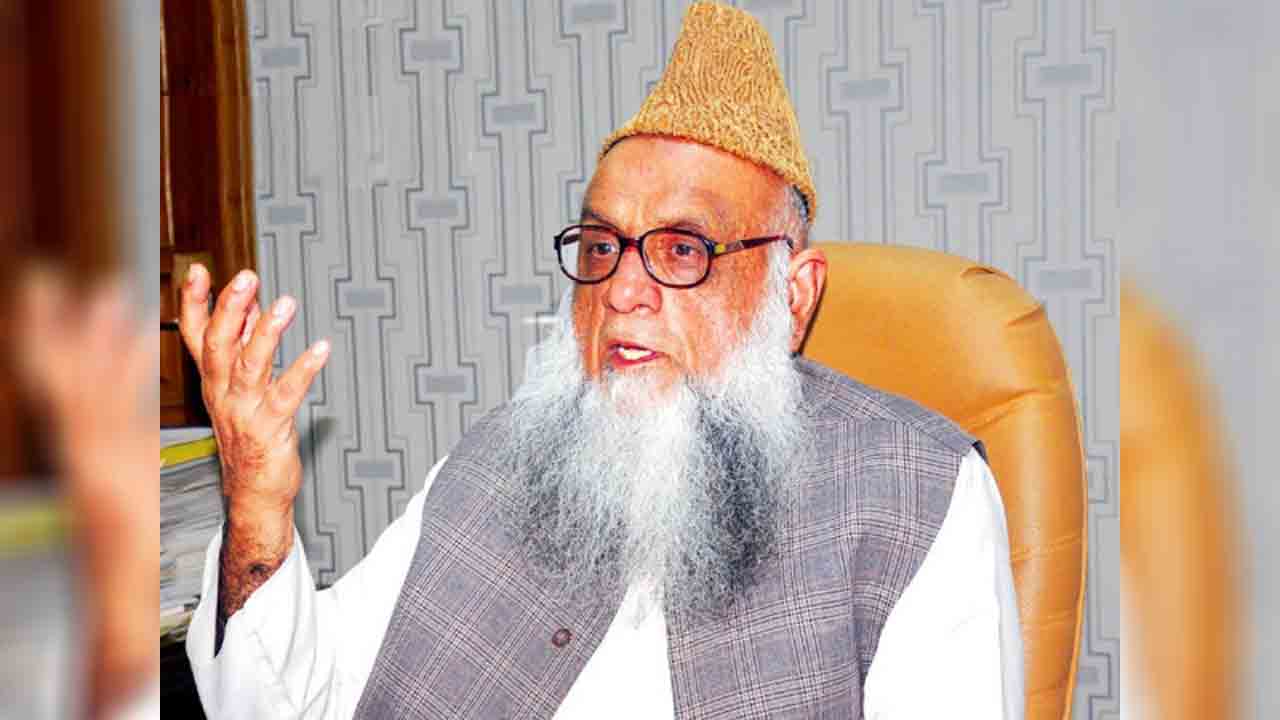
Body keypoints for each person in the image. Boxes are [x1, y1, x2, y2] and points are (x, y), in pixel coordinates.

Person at [182, 3, 1023, 718]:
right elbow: (294, 702)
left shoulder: (916, 492)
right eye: (600, 245)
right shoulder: (499, 459)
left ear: (794, 296)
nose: (621, 290)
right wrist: (256, 501)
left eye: (683, 249)